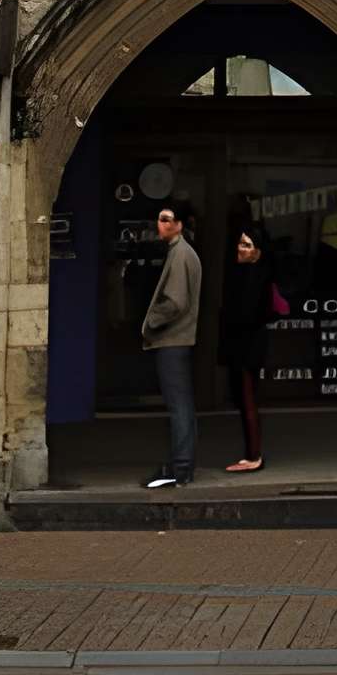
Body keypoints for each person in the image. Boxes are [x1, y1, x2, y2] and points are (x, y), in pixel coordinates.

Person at [142, 198, 201, 489]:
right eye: (160, 218)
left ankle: (180, 467)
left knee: (179, 406)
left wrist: (152, 320)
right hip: (177, 339)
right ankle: (183, 465)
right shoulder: (182, 252)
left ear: (179, 225)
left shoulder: (180, 254)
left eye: (166, 219)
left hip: (172, 339)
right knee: (183, 405)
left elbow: (176, 301)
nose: (160, 224)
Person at [219, 224, 275, 472]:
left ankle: (254, 455)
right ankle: (252, 453)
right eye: (240, 244)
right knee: (244, 399)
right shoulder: (244, 274)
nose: (240, 249)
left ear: (258, 251)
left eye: (247, 245)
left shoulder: (256, 277)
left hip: (248, 346)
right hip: (244, 345)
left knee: (248, 398)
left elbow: (247, 314)